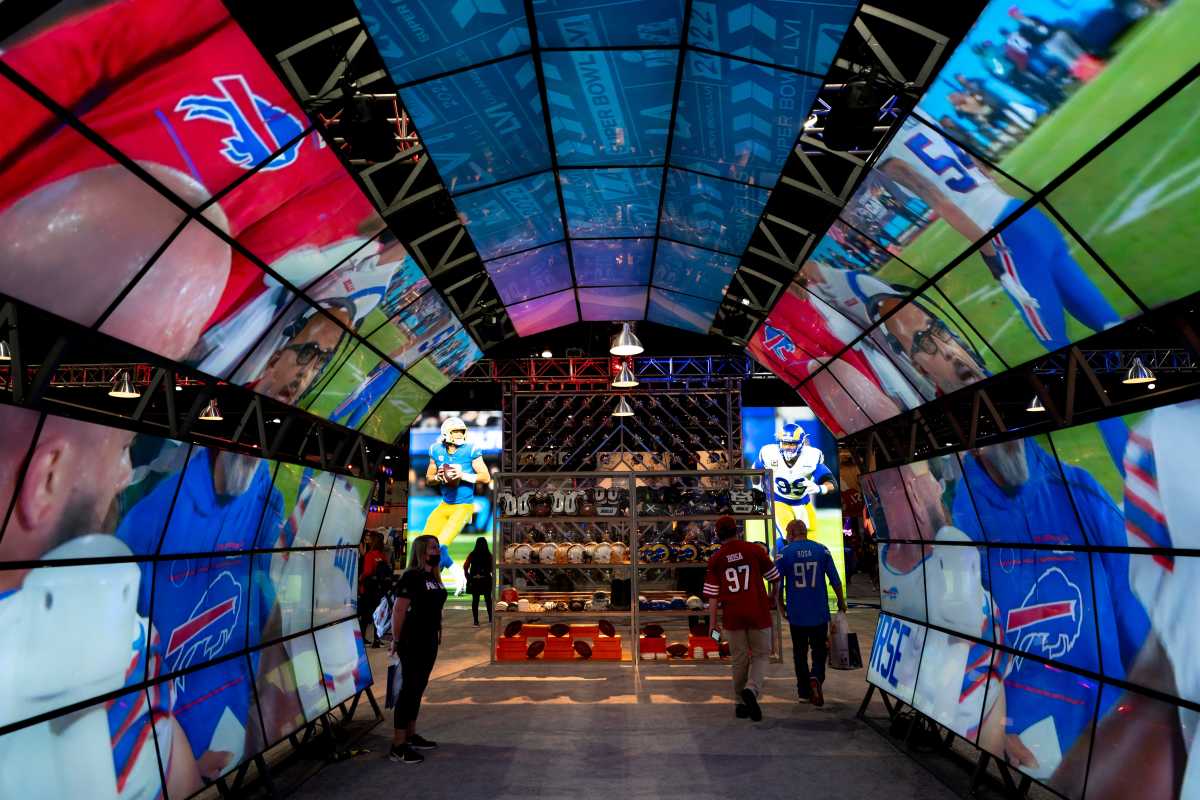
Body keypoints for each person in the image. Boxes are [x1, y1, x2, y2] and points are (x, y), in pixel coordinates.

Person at [877, 117, 1123, 355]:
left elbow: (943, 204)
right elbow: (981, 168)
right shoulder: (917, 113)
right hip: (1020, 212)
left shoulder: (886, 148)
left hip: (1003, 233)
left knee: (1051, 338)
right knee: (1101, 315)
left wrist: (992, 260)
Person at [704, 516, 781, 722]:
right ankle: (752, 689)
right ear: (737, 530)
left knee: (739, 659)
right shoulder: (755, 550)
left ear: (718, 534)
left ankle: (739, 702)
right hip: (758, 610)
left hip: (733, 614)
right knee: (761, 655)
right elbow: (775, 577)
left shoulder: (716, 558)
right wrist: (773, 596)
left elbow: (712, 596)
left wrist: (713, 625)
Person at [775, 519, 847, 706]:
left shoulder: (783, 554)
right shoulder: (821, 550)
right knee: (819, 650)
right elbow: (835, 580)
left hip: (797, 613)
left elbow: (777, 584)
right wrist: (841, 601)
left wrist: (781, 606)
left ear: (790, 533)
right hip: (818, 611)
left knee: (799, 653)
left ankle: (804, 692)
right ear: (805, 532)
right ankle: (816, 676)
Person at [390, 534, 447, 766]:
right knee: (408, 690)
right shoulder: (412, 576)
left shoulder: (433, 576)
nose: (437, 550)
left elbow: (435, 608)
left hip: (429, 640)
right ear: (423, 550)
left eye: (438, 547)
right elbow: (399, 610)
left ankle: (411, 735)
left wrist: (439, 631)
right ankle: (398, 745)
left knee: (418, 688)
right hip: (412, 640)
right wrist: (395, 639)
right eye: (434, 547)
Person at [423, 416, 491, 553]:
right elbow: (429, 479)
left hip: (464, 506)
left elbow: (486, 477)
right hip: (445, 504)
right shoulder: (435, 449)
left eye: (461, 431)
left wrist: (462, 475)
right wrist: (439, 477)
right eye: (455, 431)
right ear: (446, 433)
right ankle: (425, 573)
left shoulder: (471, 449)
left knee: (441, 545)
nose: (460, 434)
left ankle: (450, 574)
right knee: (424, 542)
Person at [359, 533, 389, 646]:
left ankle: (363, 638)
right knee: (378, 615)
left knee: (365, 616)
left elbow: (367, 571)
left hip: (368, 589)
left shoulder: (369, 555)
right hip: (379, 589)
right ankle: (377, 639)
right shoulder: (382, 555)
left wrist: (360, 579)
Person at [462, 537, 494, 627]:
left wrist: (468, 577)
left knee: (475, 600)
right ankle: (491, 619)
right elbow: (492, 569)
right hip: (486, 580)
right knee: (488, 600)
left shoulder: (472, 554)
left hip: (475, 581)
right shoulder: (489, 555)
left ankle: (476, 621)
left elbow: (465, 566)